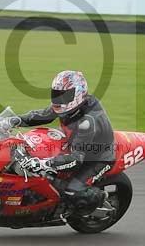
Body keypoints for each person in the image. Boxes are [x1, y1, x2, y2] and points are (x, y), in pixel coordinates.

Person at [7, 70, 114, 214]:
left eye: (64, 95)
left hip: (97, 157)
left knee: (71, 191)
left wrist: (45, 163)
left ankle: (99, 199)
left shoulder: (87, 122)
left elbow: (77, 159)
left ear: (77, 95)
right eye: (56, 94)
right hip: (75, 143)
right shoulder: (67, 105)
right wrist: (14, 120)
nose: (59, 99)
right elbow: (41, 115)